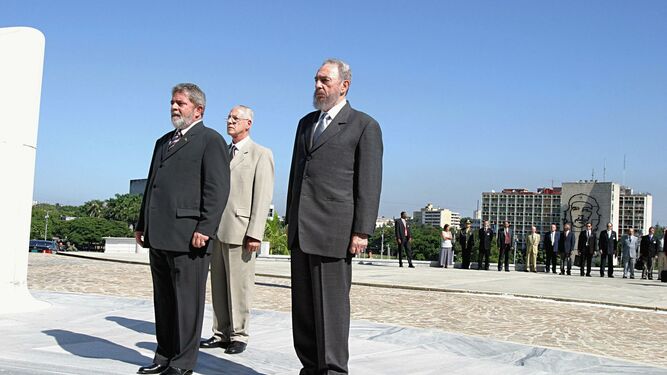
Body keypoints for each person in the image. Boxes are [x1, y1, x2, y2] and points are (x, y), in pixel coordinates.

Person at [286, 59, 383, 375]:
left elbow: (368, 182)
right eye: (316, 79)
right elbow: (296, 177)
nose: (318, 85)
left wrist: (362, 231)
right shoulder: (305, 124)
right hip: (302, 231)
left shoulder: (363, 125)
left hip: (334, 232)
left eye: (325, 80)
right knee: (303, 311)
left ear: (345, 85)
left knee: (331, 311)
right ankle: (310, 369)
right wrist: (290, 221)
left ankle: (333, 371)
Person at [135, 83, 230, 375]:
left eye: (181, 103)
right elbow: (151, 185)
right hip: (159, 234)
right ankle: (163, 356)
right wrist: (141, 224)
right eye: (172, 103)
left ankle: (183, 362)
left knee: (187, 304)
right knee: (163, 301)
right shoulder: (163, 142)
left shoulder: (210, 140)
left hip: (191, 237)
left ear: (198, 109)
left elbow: (217, 188)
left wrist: (206, 227)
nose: (174, 108)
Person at [200, 105, 274, 355]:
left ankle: (239, 334)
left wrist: (256, 232)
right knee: (219, 285)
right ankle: (220, 332)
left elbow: (263, 196)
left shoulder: (260, 154)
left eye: (235, 118)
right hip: (217, 229)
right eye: (228, 118)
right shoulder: (221, 152)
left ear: (248, 123)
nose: (230, 121)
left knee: (240, 287)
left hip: (242, 231)